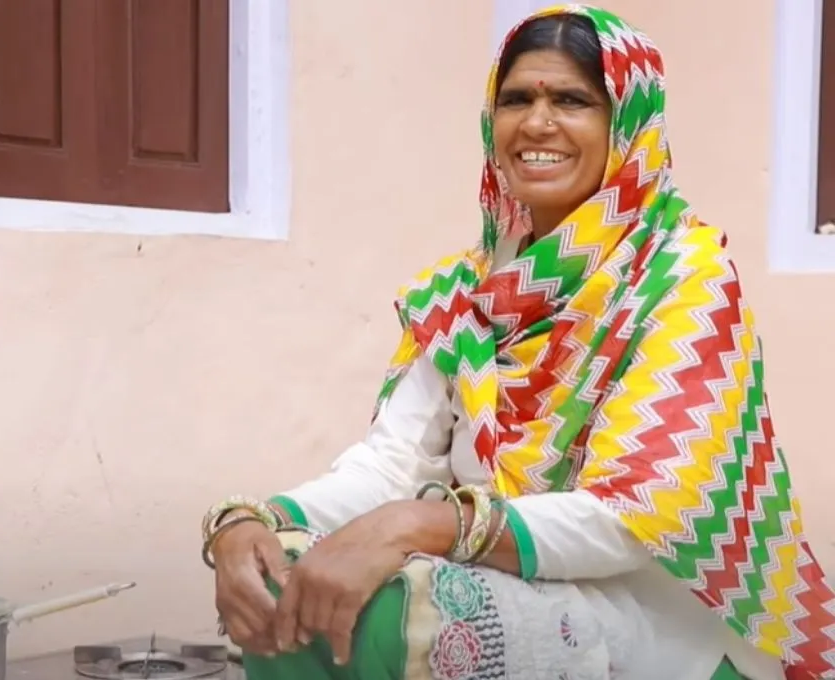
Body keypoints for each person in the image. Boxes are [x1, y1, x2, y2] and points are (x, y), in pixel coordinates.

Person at [199, 6, 835, 680]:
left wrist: (422, 526)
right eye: (516, 99)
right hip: (509, 578)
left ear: (627, 125)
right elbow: (389, 468)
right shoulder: (466, 292)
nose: (536, 123)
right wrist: (249, 521)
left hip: (657, 627)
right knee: (282, 583)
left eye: (572, 100)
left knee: (400, 615)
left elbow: (635, 519)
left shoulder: (682, 280)